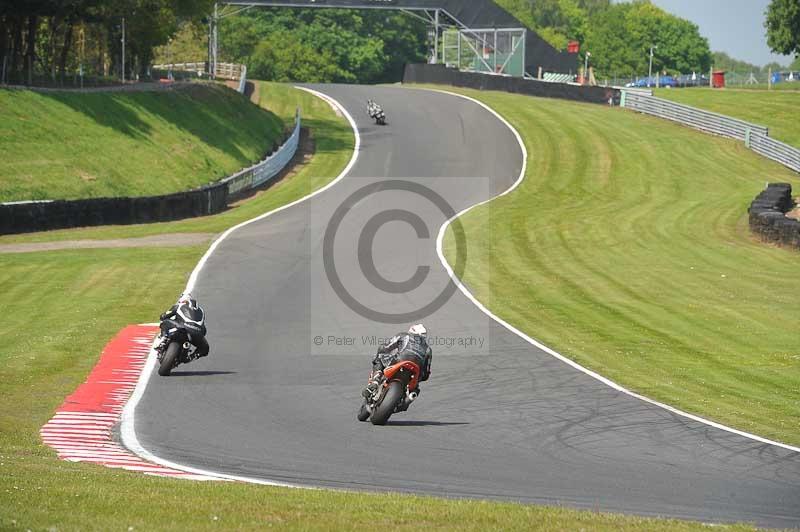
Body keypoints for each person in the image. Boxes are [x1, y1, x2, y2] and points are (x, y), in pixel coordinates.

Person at [363, 324, 432, 398]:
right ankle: (409, 397)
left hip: (400, 360)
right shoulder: (428, 349)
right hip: (415, 371)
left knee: (379, 358)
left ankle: (375, 382)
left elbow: (386, 347)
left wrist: (382, 349)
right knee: (416, 388)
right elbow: (426, 374)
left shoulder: (404, 336)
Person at [156, 292, 209, 358]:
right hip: (197, 332)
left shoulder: (179, 306)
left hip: (182, 327)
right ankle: (192, 357)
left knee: (165, 322)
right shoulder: (201, 311)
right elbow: (204, 330)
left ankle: (163, 340)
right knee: (205, 348)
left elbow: (163, 316)